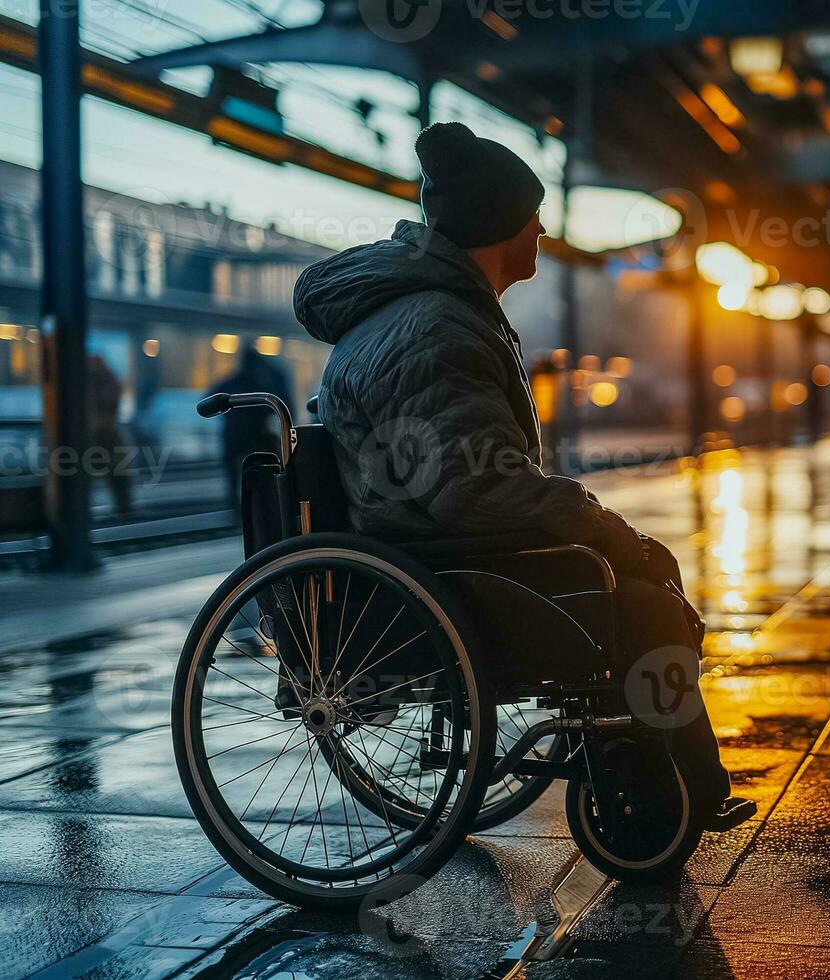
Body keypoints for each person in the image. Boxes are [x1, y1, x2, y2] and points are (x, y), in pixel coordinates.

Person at [293, 121, 754, 833]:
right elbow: (477, 489)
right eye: (532, 213)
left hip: (430, 554)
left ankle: (662, 774)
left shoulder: (434, 315)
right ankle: (670, 783)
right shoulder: (435, 329)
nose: (542, 228)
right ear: (500, 222)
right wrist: (604, 526)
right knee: (646, 596)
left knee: (636, 572)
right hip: (447, 571)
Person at [214, 347, 292, 519]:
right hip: (257, 437)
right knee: (264, 472)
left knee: (233, 475)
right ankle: (266, 507)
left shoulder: (232, 382)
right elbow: (280, 406)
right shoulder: (265, 383)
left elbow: (211, 396)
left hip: (233, 436)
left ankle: (236, 509)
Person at [86, 354, 132, 516]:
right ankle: (124, 510)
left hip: (94, 436)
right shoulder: (110, 379)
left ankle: (123, 509)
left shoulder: (89, 382)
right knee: (118, 475)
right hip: (106, 434)